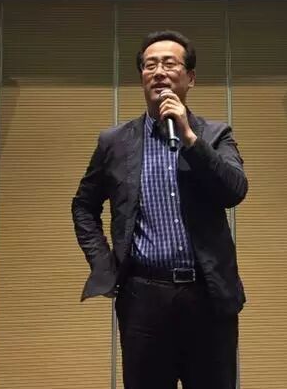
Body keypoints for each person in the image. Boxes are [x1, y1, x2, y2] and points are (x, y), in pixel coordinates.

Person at [71, 30, 248, 389]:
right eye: (149, 65)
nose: (159, 72)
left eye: (169, 64)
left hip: (208, 297)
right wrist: (105, 264)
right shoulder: (115, 142)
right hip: (143, 300)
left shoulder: (215, 135)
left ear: (190, 78)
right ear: (142, 77)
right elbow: (84, 206)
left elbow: (234, 191)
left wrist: (190, 139)